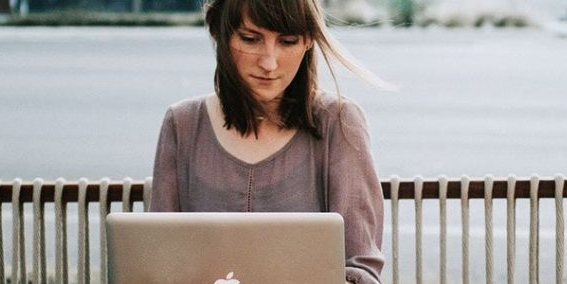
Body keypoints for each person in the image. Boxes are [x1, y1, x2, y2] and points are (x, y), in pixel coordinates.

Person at [148, 0, 392, 283]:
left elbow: (361, 269)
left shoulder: (339, 122)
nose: (269, 63)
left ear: (308, 41)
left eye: (287, 42)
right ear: (218, 31)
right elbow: (158, 262)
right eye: (250, 39)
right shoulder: (182, 124)